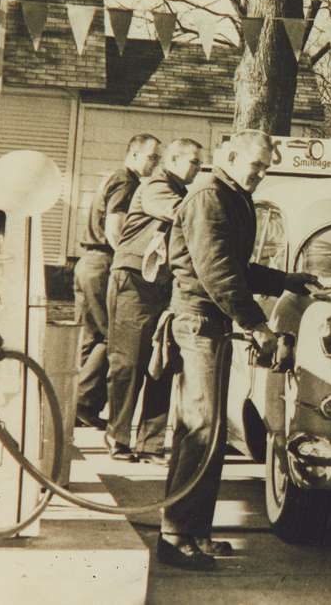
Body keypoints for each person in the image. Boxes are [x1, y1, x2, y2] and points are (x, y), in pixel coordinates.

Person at [159, 129, 319, 570]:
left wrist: (284, 281)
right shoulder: (210, 197)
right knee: (201, 428)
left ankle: (194, 532)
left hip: (211, 324)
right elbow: (218, 272)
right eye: (256, 165)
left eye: (267, 167)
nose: (261, 174)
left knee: (207, 435)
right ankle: (175, 537)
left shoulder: (231, 194)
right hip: (198, 323)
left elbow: (237, 267)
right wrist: (257, 325)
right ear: (228, 155)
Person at [105, 139, 203, 464]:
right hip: (134, 282)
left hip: (163, 285)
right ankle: (118, 438)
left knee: (160, 363)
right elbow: (180, 216)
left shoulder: (181, 192)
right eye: (193, 162)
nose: (198, 169)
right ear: (172, 159)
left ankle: (150, 444)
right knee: (128, 363)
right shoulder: (156, 186)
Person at [74, 134, 162, 433]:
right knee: (109, 337)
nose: (155, 163)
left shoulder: (111, 177)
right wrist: (125, 257)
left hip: (87, 262)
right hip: (103, 262)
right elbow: (115, 228)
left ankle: (81, 406)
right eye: (152, 157)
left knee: (93, 336)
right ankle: (82, 402)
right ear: (134, 154)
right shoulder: (127, 182)